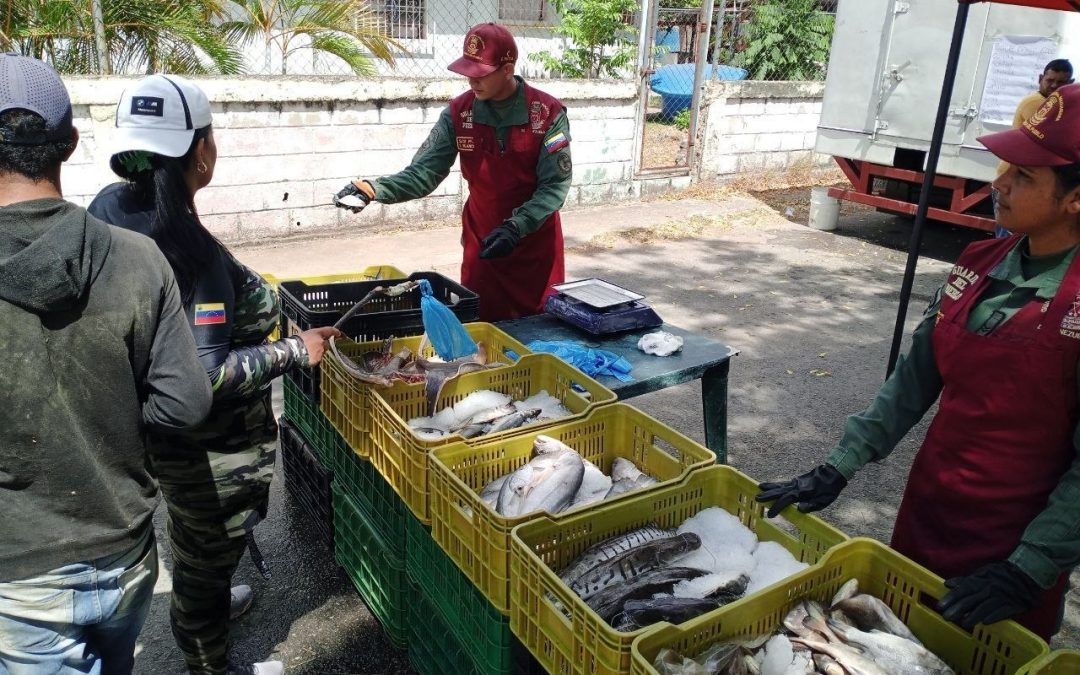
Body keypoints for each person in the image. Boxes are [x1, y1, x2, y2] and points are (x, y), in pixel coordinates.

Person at [756, 84, 1080, 641]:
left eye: (1024, 176)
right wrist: (841, 462)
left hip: (1017, 541)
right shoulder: (978, 262)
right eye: (1007, 167)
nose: (998, 183)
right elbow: (912, 381)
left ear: (1075, 199)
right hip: (927, 509)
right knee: (896, 642)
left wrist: (1029, 568)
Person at [87, 75, 341, 675]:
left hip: (151, 429)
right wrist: (292, 352)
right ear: (201, 152)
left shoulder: (111, 209)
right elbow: (204, 378)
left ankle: (208, 601)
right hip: (207, 447)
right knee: (206, 545)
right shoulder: (186, 253)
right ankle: (209, 658)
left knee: (194, 541)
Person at [0, 55, 213, 673]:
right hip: (125, 557)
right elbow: (185, 402)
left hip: (21, 577)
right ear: (68, 144)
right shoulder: (138, 258)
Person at [333, 22, 573, 322]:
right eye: (467, 72)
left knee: (539, 333)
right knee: (482, 329)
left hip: (535, 249)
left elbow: (554, 186)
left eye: (481, 73)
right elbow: (424, 173)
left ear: (507, 69)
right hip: (483, 245)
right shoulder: (459, 114)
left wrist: (516, 226)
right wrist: (372, 188)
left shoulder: (547, 113)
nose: (472, 81)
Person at [993, 59, 1073, 238]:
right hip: (1015, 176)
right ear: (1040, 79)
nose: (1054, 86)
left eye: (1060, 82)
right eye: (1050, 80)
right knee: (1010, 234)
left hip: (1025, 176)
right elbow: (1052, 139)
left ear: (1070, 83)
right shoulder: (1038, 103)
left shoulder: (1053, 104)